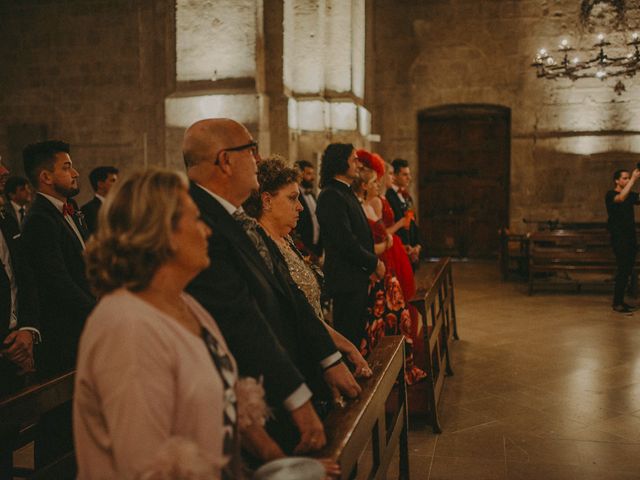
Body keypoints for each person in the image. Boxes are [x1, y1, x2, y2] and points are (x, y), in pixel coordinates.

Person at [75, 167, 274, 479]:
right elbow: (144, 466)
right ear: (160, 232)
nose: (207, 230)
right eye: (195, 218)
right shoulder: (127, 327)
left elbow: (221, 398)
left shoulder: (185, 303)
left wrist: (274, 458)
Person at [183, 118, 360, 456]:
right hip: (255, 387)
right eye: (251, 150)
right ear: (225, 160)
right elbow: (239, 317)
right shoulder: (196, 220)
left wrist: (329, 357)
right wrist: (297, 399)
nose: (258, 159)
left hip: (278, 375)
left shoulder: (234, 217)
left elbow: (286, 291)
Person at [244, 157, 372, 379]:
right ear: (267, 201)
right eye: (293, 198)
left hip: (317, 348)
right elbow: (293, 315)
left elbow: (312, 314)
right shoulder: (262, 249)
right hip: (295, 362)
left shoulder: (286, 240)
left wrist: (344, 347)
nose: (300, 206)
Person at [352, 154, 427, 385]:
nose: (379, 184)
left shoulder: (368, 204)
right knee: (389, 314)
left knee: (401, 305)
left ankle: (402, 356)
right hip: (381, 260)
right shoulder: (365, 206)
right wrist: (389, 240)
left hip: (391, 254)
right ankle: (389, 362)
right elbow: (371, 239)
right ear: (365, 185)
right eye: (375, 181)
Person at [21, 140, 94, 376]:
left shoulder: (69, 207)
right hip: (64, 334)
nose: (75, 173)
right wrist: (97, 311)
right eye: (66, 167)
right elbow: (57, 281)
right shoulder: (40, 219)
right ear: (46, 177)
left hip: (82, 326)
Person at [316, 144, 385, 348]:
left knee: (357, 334)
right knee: (349, 337)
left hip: (356, 276)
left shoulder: (344, 192)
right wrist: (373, 262)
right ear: (340, 162)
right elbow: (346, 241)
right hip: (346, 280)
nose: (358, 164)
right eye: (353, 159)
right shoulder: (331, 195)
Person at [605, 168, 640, 313]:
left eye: (627, 178)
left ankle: (620, 301)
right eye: (624, 178)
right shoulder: (610, 194)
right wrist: (633, 179)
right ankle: (617, 303)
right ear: (617, 181)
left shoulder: (630, 195)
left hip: (630, 237)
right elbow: (620, 198)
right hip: (619, 238)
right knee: (623, 269)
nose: (626, 180)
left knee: (627, 270)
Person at [386, 158, 422, 267]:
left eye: (409, 174)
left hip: (411, 251)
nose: (409, 178)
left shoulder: (407, 197)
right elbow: (390, 224)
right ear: (395, 176)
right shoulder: (389, 197)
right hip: (399, 250)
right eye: (405, 175)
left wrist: (417, 245)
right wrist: (404, 246)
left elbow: (413, 222)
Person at [293, 160, 322, 259]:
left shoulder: (313, 195)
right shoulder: (295, 196)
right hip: (302, 248)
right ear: (299, 174)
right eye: (309, 174)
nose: (313, 178)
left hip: (316, 248)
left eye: (313, 174)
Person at [81, 165, 119, 234]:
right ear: (100, 184)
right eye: (113, 180)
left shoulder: (119, 206)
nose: (117, 184)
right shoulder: (88, 209)